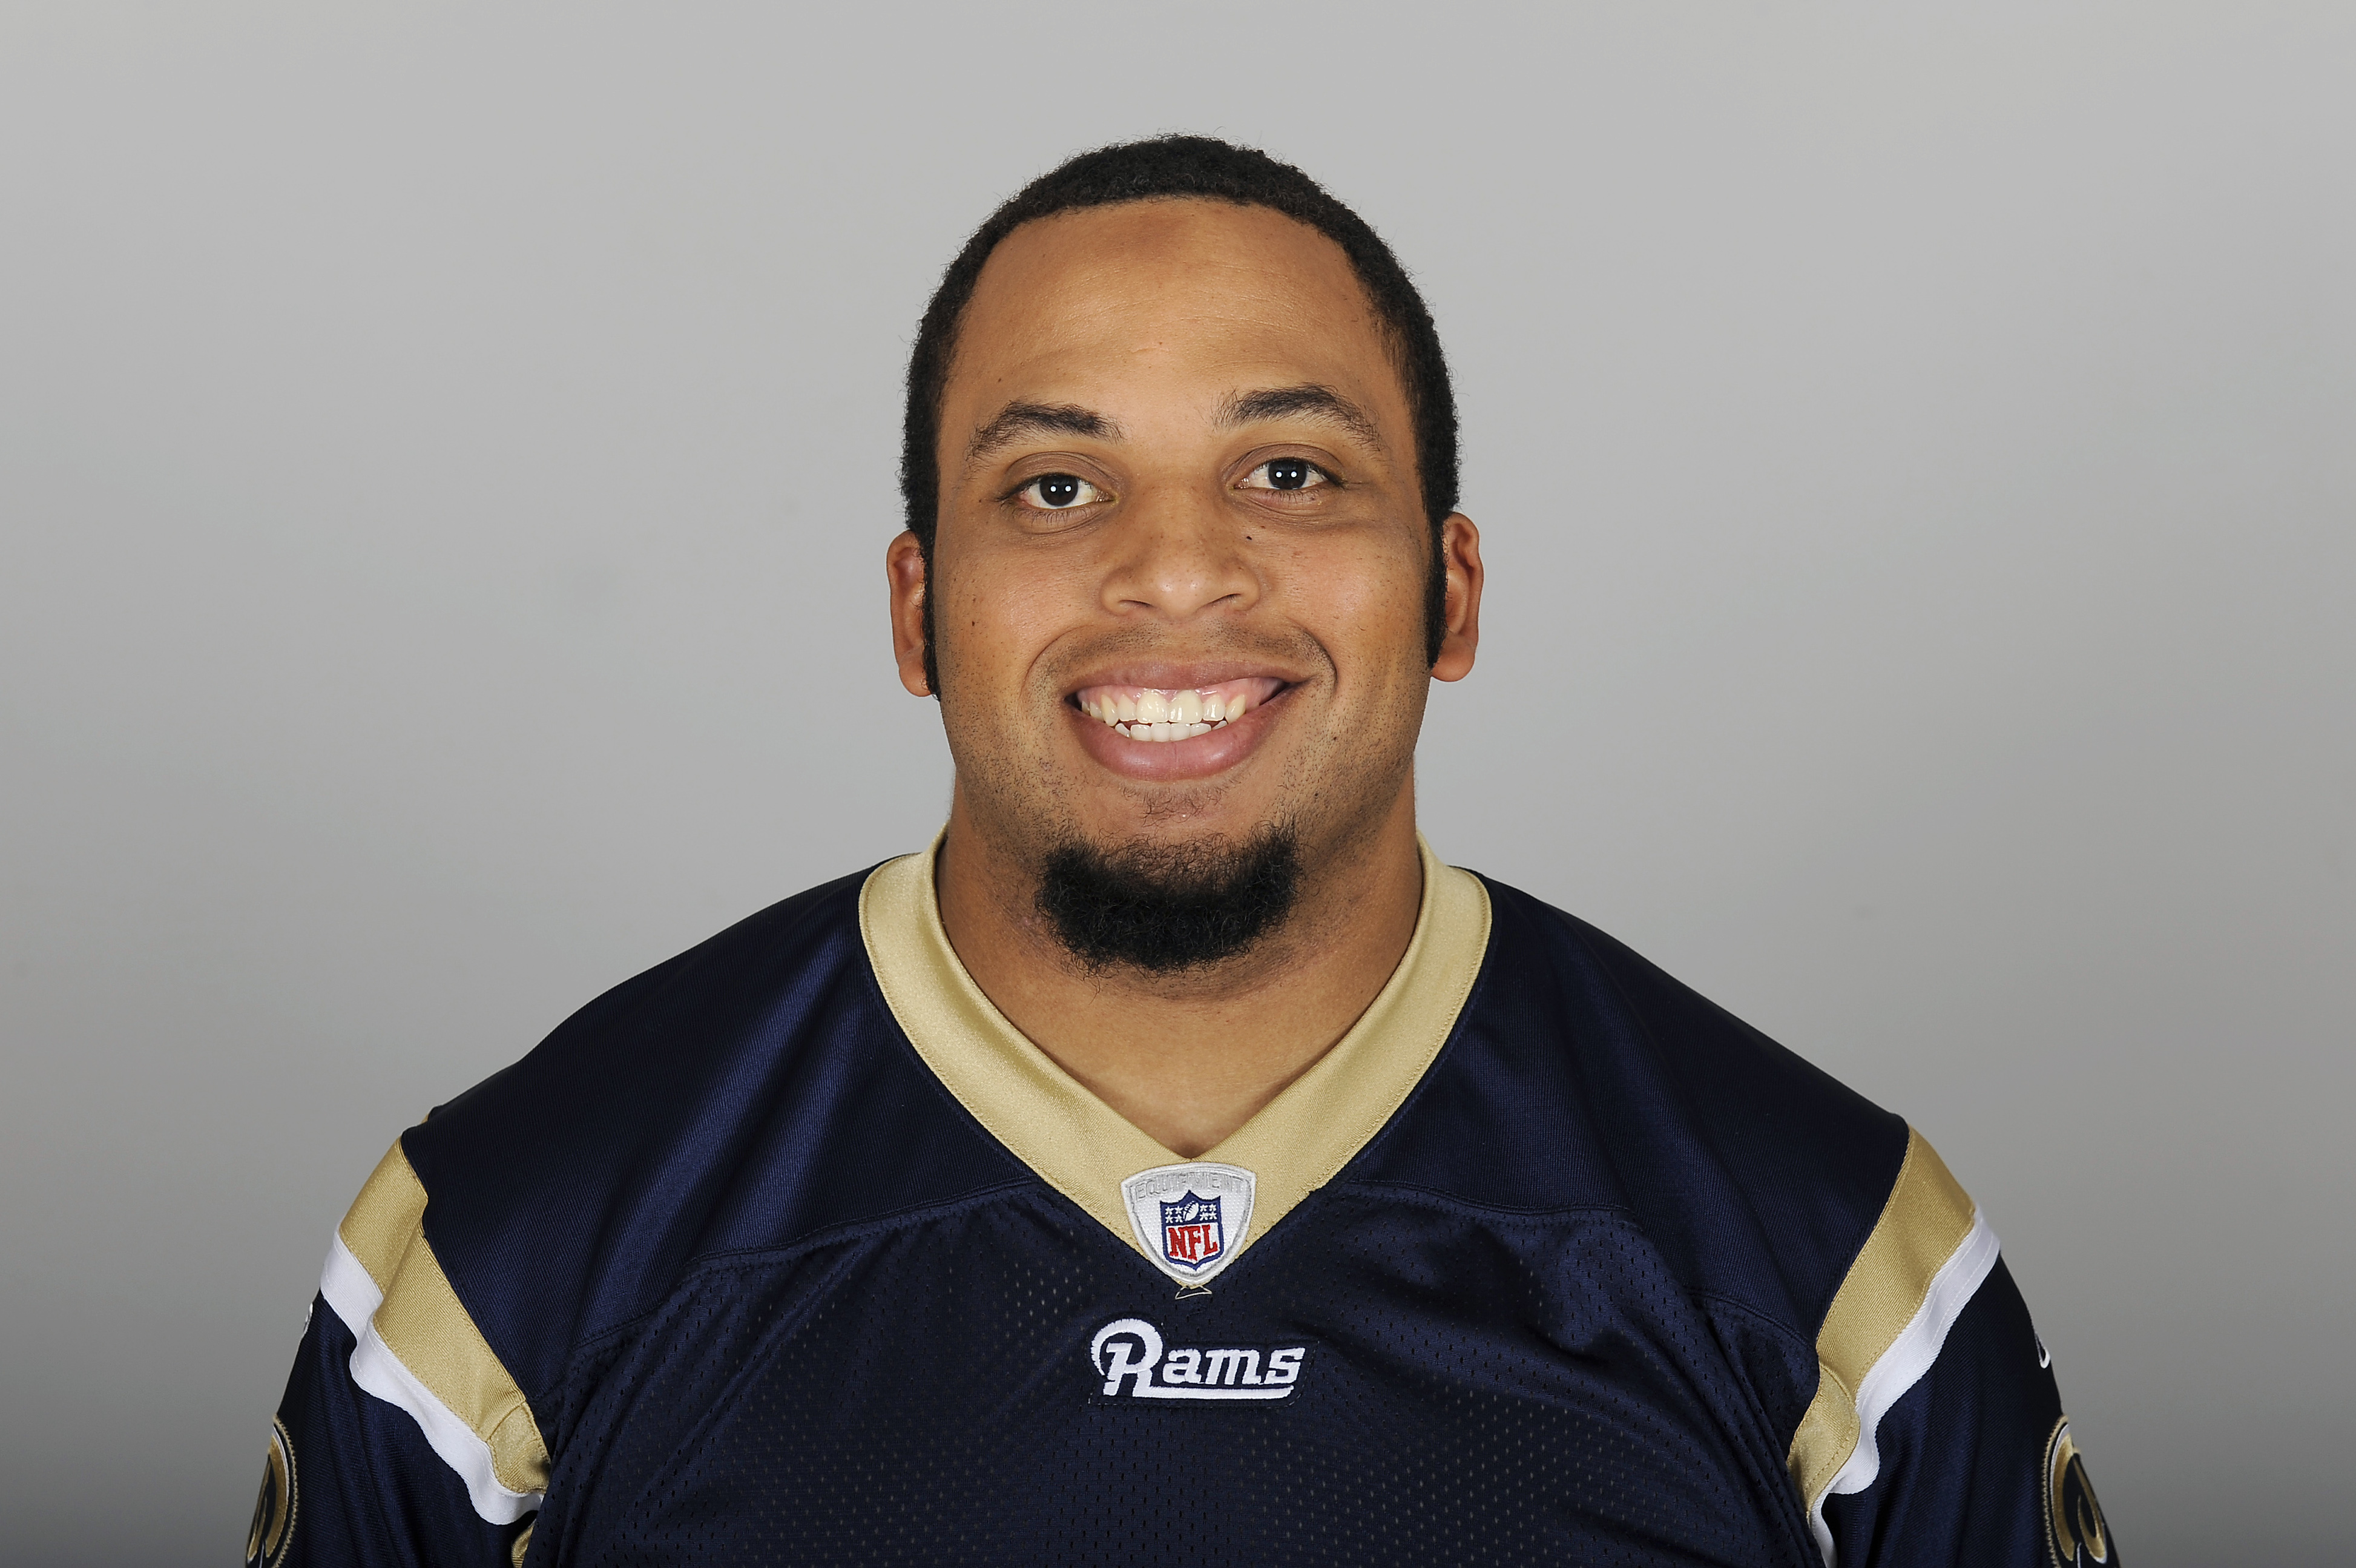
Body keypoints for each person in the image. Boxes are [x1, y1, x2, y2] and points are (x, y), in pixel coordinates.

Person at [247, 136, 2114, 1568]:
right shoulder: (512, 1238)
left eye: (1289, 474)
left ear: (1449, 591)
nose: (1173, 571)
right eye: (1054, 489)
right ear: (916, 613)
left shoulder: (1827, 1250)